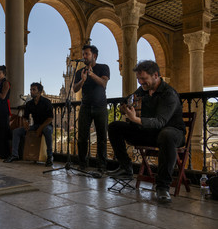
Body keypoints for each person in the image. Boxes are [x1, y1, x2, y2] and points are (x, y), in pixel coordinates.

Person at [107, 60, 185, 203]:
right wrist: (124, 108)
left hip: (172, 133)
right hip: (149, 132)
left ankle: (163, 187)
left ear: (155, 75)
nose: (141, 82)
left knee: (166, 134)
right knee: (114, 127)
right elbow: (126, 101)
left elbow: (160, 122)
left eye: (143, 79)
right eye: (139, 79)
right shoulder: (143, 89)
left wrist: (135, 119)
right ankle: (125, 167)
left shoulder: (169, 94)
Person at [73, 44, 110, 172]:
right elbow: (75, 89)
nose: (84, 57)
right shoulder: (79, 72)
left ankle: (101, 165)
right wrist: (82, 80)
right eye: (83, 54)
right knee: (82, 137)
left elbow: (103, 84)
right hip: (85, 107)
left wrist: (92, 75)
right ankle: (82, 163)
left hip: (100, 107)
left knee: (101, 138)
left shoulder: (103, 68)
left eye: (86, 54)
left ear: (94, 56)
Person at [5, 82, 54, 167]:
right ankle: (14, 155)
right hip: (35, 126)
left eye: (34, 90)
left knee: (47, 130)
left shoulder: (46, 102)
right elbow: (25, 117)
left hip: (46, 126)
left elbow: (50, 118)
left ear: (40, 91)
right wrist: (25, 123)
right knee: (16, 131)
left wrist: (40, 128)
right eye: (31, 90)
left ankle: (50, 156)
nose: (31, 92)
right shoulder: (29, 104)